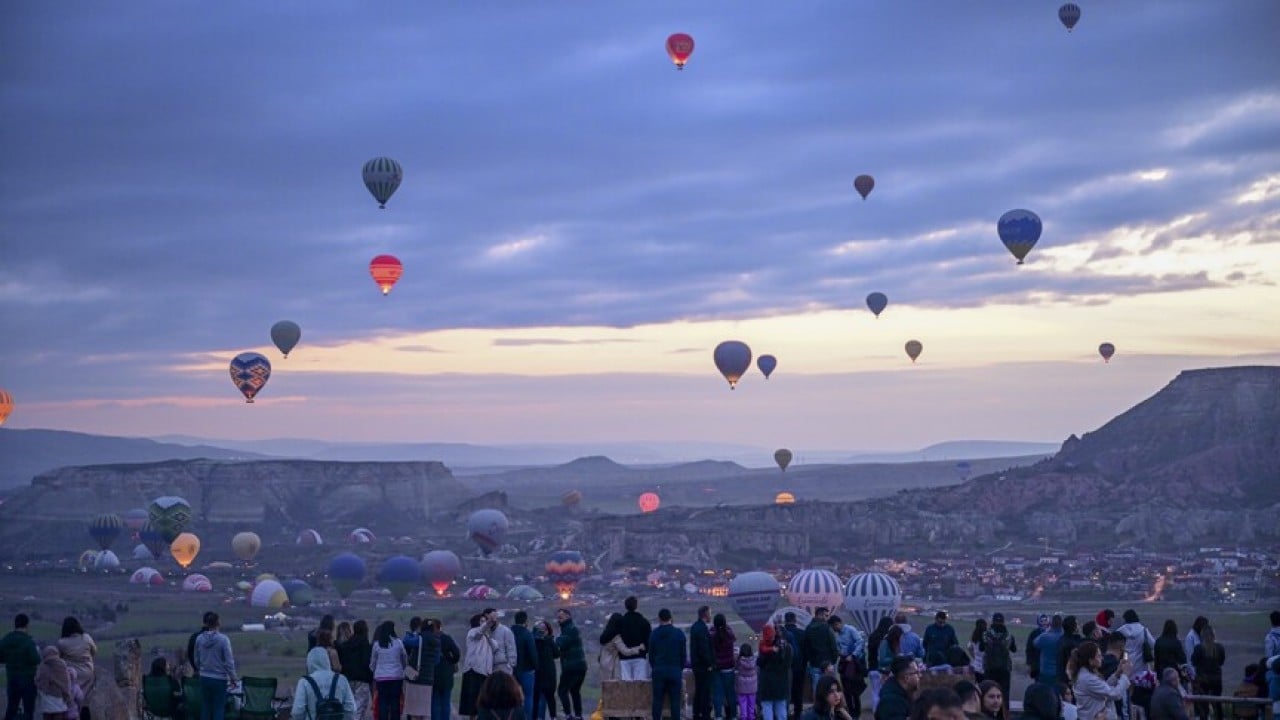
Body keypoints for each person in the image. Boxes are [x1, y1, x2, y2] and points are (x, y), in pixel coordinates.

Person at [292, 643, 356, 720]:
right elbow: (351, 709)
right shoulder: (341, 679)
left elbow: (297, 712)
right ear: (327, 660)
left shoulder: (304, 682)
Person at [1070, 641, 1131, 720]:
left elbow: (1104, 687)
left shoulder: (1086, 674)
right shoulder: (1088, 679)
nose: (1102, 658)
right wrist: (1125, 675)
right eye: (1098, 656)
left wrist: (1117, 673)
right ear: (1090, 660)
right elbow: (1114, 694)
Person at [194, 612, 238, 720]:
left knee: (206, 706)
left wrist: (201, 669)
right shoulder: (223, 640)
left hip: (204, 677)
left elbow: (196, 659)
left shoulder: (199, 639)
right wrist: (233, 678)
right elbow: (229, 662)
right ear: (218, 623)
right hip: (219, 679)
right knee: (218, 708)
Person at [649, 609, 687, 720]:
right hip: (674, 671)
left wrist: (655, 667)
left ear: (659, 618)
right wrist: (679, 668)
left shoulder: (654, 634)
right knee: (675, 702)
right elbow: (683, 655)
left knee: (657, 701)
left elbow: (651, 655)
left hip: (659, 671)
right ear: (670, 618)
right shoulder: (679, 634)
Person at [56, 617, 96, 720]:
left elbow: (59, 659)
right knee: (86, 701)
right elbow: (94, 651)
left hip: (72, 676)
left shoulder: (62, 643)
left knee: (72, 701)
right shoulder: (86, 638)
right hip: (88, 673)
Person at [2, 613, 40, 720]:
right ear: (27, 625)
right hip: (28, 679)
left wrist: (9, 660)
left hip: (12, 678)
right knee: (29, 710)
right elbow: (36, 659)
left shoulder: (6, 639)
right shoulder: (28, 641)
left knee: (11, 708)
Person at [369, 621, 408, 720]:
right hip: (396, 677)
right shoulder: (398, 643)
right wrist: (403, 668)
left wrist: (373, 670)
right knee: (395, 702)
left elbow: (373, 662)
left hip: (381, 677)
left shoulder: (377, 645)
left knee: (383, 702)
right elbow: (404, 658)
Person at [829, 616, 865, 719]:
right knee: (845, 688)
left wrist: (853, 655)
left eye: (833, 626)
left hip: (853, 662)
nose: (833, 629)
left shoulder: (851, 630)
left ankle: (856, 712)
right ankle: (850, 711)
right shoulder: (838, 635)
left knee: (854, 688)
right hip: (844, 661)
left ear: (838, 623)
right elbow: (840, 647)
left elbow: (860, 642)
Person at [403, 618, 439, 720]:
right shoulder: (437, 641)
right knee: (424, 709)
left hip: (416, 677)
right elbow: (436, 661)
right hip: (429, 678)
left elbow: (406, 641)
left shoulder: (420, 639)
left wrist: (410, 633)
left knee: (414, 710)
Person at [337, 620, 374, 720]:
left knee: (350, 706)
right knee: (360, 707)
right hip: (362, 679)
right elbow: (367, 663)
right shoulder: (365, 644)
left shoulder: (346, 644)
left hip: (347, 678)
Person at [462, 615, 496, 720]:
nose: (484, 622)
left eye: (485, 621)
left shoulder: (487, 635)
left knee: (484, 699)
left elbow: (495, 647)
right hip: (474, 669)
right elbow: (478, 634)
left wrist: (488, 635)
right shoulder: (472, 632)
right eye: (482, 621)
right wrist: (487, 624)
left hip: (485, 670)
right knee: (473, 700)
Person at [554, 609, 586, 720]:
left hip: (571, 666)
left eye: (561, 617)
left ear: (568, 616)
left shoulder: (569, 629)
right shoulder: (571, 628)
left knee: (562, 690)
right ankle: (578, 715)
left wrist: (556, 638)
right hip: (581, 665)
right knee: (575, 690)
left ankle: (568, 715)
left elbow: (562, 644)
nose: (559, 620)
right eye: (558, 618)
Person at [980, 614, 1015, 713]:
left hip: (990, 667)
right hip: (1005, 667)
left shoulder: (986, 634)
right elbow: (1014, 649)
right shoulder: (1008, 635)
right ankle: (1004, 713)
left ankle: (987, 713)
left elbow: (981, 648)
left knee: (988, 691)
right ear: (1003, 622)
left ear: (992, 621)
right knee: (1004, 693)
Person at [758, 623, 792, 720]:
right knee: (781, 706)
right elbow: (788, 664)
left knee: (767, 706)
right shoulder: (787, 647)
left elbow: (760, 663)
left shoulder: (764, 648)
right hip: (781, 681)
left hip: (767, 682)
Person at [1190, 627, 1225, 720]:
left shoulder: (1198, 648)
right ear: (1214, 635)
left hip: (1202, 680)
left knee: (1202, 705)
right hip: (1216, 680)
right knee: (1217, 703)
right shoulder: (1220, 647)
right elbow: (1221, 662)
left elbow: (1193, 662)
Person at [34, 646, 78, 720]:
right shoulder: (61, 665)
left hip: (46, 697)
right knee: (59, 715)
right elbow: (66, 682)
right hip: (59, 697)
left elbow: (38, 681)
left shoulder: (43, 666)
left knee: (47, 715)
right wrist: (67, 695)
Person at [803, 609, 838, 697]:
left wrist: (810, 659)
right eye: (826, 615)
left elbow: (806, 646)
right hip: (828, 662)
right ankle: (830, 708)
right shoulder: (827, 628)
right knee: (830, 686)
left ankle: (818, 707)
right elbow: (833, 645)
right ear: (820, 615)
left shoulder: (808, 628)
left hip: (814, 662)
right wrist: (833, 660)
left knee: (817, 686)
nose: (827, 618)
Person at [617, 597, 652, 682]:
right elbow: (648, 640)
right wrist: (645, 650)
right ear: (636, 606)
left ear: (625, 606)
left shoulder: (620, 622)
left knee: (626, 686)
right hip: (640, 657)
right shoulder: (644, 622)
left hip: (624, 657)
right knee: (639, 685)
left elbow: (617, 639)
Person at [711, 614, 738, 720]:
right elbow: (733, 636)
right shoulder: (729, 634)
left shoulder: (712, 635)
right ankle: (733, 715)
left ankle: (718, 715)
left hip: (717, 668)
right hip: (729, 667)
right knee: (731, 693)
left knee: (718, 694)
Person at [433, 620, 462, 720]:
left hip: (433, 673)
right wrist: (451, 661)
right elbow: (457, 653)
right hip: (447, 673)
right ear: (440, 627)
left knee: (435, 702)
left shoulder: (428, 639)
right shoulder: (446, 638)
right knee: (446, 702)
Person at [511, 613, 538, 720]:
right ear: (525, 621)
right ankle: (527, 717)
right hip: (527, 670)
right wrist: (536, 666)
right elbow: (533, 652)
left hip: (512, 669)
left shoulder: (509, 632)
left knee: (512, 696)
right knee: (528, 696)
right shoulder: (527, 634)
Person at [690, 607, 715, 720]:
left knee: (699, 690)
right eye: (710, 613)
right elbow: (703, 648)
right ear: (705, 614)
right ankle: (704, 714)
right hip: (702, 666)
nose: (711, 615)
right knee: (704, 691)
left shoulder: (696, 627)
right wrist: (710, 663)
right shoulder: (701, 629)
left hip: (697, 665)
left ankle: (697, 713)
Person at [867, 617, 895, 713]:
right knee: (885, 692)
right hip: (884, 669)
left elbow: (869, 653)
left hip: (872, 668)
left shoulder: (872, 636)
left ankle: (875, 711)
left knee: (875, 692)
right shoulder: (887, 638)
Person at [1116, 611, 1157, 677]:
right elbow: (1153, 645)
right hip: (1141, 664)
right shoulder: (1143, 630)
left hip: (1125, 662)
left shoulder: (1120, 631)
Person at [782, 613, 807, 720]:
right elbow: (806, 651)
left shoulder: (782, 634)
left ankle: (784, 712)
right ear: (795, 620)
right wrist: (804, 663)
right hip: (799, 666)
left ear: (785, 620)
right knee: (798, 690)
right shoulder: (802, 633)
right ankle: (798, 713)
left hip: (784, 668)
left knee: (785, 691)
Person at [531, 621, 558, 720]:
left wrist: (548, 640)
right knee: (536, 697)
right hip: (538, 672)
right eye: (540, 630)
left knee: (549, 696)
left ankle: (552, 716)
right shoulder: (534, 641)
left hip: (547, 673)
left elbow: (557, 653)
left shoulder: (548, 641)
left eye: (545, 630)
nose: (543, 632)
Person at [1034, 615, 1064, 685]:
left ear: (1051, 624)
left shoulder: (1045, 637)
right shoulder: (1064, 636)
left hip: (1046, 671)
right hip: (1061, 671)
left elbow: (1035, 643)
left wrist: (1046, 632)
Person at [1056, 617, 1083, 686]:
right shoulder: (1071, 644)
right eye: (1077, 624)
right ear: (1073, 627)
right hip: (1071, 679)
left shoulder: (1062, 639)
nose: (1079, 625)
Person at [736, 644, 758, 720]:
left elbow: (736, 670)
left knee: (742, 703)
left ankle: (743, 716)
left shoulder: (739, 660)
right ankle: (751, 717)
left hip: (742, 684)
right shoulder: (754, 660)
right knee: (751, 703)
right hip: (752, 685)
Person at [1026, 615, 1049, 683]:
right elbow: (1029, 649)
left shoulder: (1051, 633)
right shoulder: (1034, 633)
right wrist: (1029, 663)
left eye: (1045, 621)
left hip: (1049, 665)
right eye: (1042, 621)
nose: (1044, 623)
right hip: (1037, 664)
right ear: (1038, 622)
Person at [967, 620, 988, 685]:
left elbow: (969, 647)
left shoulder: (974, 637)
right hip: (985, 667)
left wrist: (974, 656)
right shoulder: (987, 637)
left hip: (976, 666)